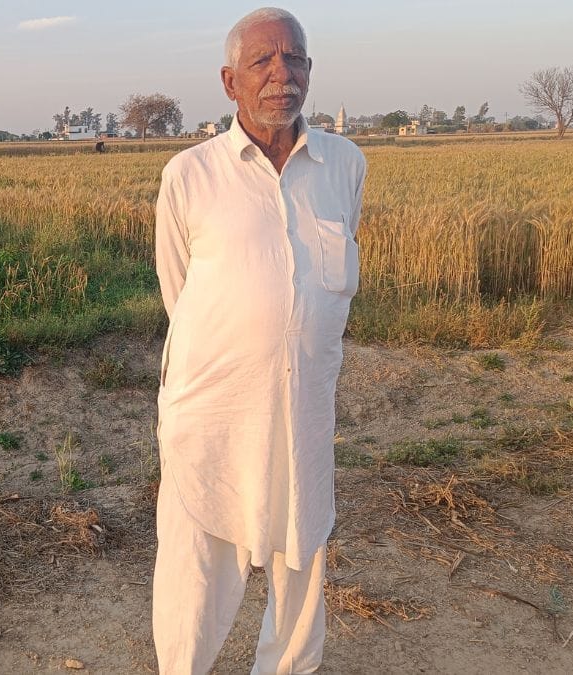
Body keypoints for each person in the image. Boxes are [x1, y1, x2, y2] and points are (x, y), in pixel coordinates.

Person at [151, 7, 367, 675]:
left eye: (295, 58)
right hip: (212, 415)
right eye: (263, 62)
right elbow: (178, 291)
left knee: (301, 557)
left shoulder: (345, 165)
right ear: (229, 81)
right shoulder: (190, 176)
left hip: (302, 415)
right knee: (195, 576)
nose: (283, 74)